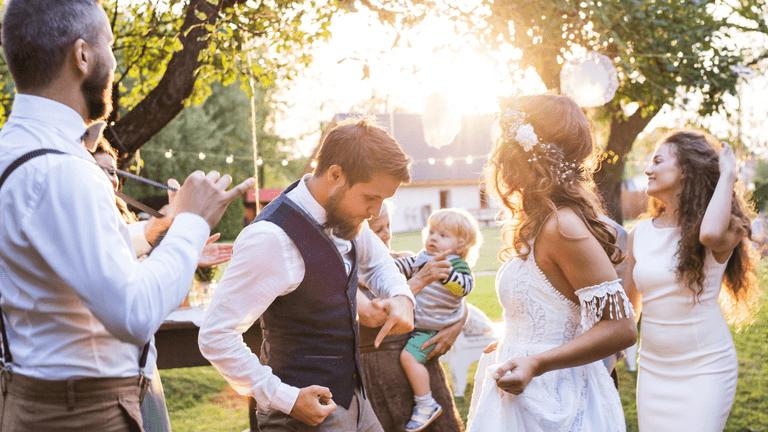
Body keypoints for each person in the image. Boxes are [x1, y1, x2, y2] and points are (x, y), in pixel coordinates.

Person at [0, 1, 253, 430]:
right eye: (110, 46)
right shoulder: (62, 168)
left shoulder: (16, 149)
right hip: (84, 413)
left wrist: (156, 229)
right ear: (82, 55)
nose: (114, 63)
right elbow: (134, 313)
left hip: (36, 399)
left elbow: (59, 245)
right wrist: (192, 223)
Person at [198, 116, 416, 432]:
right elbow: (215, 335)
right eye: (371, 197)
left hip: (355, 401)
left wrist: (401, 296)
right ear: (336, 175)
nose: (375, 212)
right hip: (302, 414)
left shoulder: (348, 213)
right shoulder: (271, 239)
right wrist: (286, 398)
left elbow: (379, 262)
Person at [466, 94, 637, 431]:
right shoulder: (540, 221)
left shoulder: (562, 226)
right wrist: (516, 341)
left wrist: (537, 360)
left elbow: (622, 328)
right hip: (522, 388)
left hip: (557, 396)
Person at [92, 139, 234, 432]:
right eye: (100, 170)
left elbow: (153, 285)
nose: (111, 179)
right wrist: (178, 239)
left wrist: (185, 254)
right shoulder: (86, 225)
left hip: (143, 364)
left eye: (113, 171)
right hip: (106, 373)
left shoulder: (125, 221)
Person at [622, 131, 759, 432]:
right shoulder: (638, 236)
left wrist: (727, 175)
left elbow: (708, 234)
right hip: (653, 372)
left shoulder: (724, 229)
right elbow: (628, 312)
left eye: (658, 161)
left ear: (686, 169)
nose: (648, 170)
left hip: (706, 369)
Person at [357, 202, 466, 432]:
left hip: (420, 362)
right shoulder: (348, 274)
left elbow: (452, 299)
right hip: (378, 373)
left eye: (388, 226)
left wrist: (456, 325)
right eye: (378, 230)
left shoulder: (407, 260)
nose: (387, 234)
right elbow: (373, 317)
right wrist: (420, 280)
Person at [394, 209, 481, 432]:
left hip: (433, 328)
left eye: (443, 235)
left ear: (461, 244)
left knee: (409, 358)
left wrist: (446, 275)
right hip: (421, 323)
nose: (433, 238)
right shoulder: (422, 258)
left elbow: (465, 287)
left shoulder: (456, 264)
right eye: (431, 232)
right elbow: (399, 268)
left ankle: (426, 404)